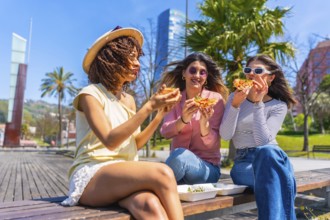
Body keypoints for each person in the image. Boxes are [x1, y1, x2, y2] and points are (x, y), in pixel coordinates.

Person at [61, 26, 184, 220]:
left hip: (122, 175)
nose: (137, 64)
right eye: (131, 57)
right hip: (92, 176)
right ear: (112, 59)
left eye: (138, 58)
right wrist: (149, 106)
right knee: (163, 172)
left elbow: (135, 143)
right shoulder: (90, 94)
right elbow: (110, 141)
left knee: (149, 205)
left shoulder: (129, 100)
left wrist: (159, 114)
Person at [220, 54, 297, 220]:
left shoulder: (278, 105)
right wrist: (235, 106)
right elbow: (225, 135)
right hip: (244, 163)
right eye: (248, 70)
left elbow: (263, 142)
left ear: (270, 78)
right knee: (280, 182)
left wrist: (258, 103)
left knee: (267, 153)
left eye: (258, 70)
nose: (251, 73)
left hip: (273, 159)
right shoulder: (235, 97)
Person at [159, 52, 228, 185]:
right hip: (179, 170)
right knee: (178, 158)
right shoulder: (175, 99)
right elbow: (165, 132)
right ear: (184, 73)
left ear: (206, 77)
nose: (197, 75)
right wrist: (183, 119)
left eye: (202, 72)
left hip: (207, 169)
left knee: (180, 157)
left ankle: (153, 190)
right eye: (193, 70)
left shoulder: (215, 100)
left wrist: (204, 124)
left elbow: (213, 144)